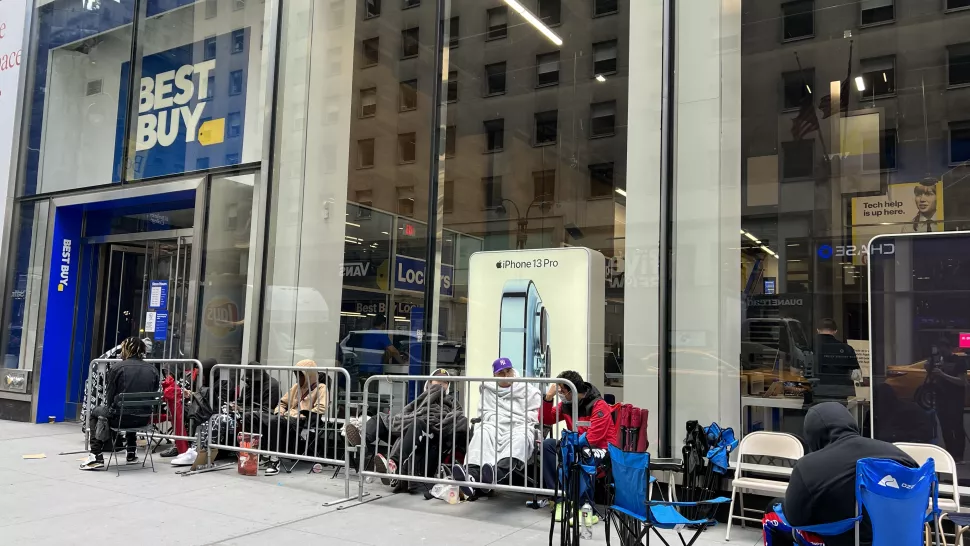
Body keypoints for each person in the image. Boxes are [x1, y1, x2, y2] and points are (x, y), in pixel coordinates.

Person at [763, 402, 916, 546]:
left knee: (773, 511)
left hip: (844, 541)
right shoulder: (896, 453)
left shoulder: (808, 466)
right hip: (900, 538)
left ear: (813, 434)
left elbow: (795, 519)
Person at [345, 368, 467, 492]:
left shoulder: (451, 401)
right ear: (430, 382)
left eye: (445, 382)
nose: (441, 383)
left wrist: (436, 418)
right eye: (438, 380)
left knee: (416, 424)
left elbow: (457, 417)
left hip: (429, 432)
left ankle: (392, 464)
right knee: (380, 418)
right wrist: (406, 418)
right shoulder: (422, 397)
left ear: (448, 386)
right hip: (409, 426)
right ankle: (362, 441)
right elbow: (407, 411)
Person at [452, 357, 542, 496]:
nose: (506, 375)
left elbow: (531, 415)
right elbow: (485, 412)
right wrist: (495, 420)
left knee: (521, 438)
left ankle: (495, 474)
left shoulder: (527, 390)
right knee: (481, 433)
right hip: (494, 424)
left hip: (518, 425)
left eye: (508, 371)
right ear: (494, 375)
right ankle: (470, 476)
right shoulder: (488, 388)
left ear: (513, 371)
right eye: (501, 373)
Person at [539, 370, 619, 519]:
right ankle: (560, 500)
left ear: (571, 391)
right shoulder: (567, 404)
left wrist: (568, 446)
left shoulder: (598, 405)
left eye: (562, 391)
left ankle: (586, 508)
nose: (560, 394)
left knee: (583, 452)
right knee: (547, 445)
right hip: (576, 446)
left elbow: (593, 438)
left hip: (602, 450)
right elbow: (546, 419)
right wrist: (548, 398)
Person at [80, 337, 160, 471]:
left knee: (96, 412)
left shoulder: (117, 368)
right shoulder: (152, 370)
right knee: (131, 408)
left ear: (127, 349)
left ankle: (96, 455)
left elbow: (110, 398)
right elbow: (154, 392)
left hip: (120, 419)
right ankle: (131, 453)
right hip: (143, 419)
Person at [925, 338, 967, 462]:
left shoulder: (959, 361)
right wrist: (929, 368)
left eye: (943, 350)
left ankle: (959, 455)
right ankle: (950, 453)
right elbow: (932, 377)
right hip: (941, 398)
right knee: (945, 427)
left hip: (955, 399)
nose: (941, 352)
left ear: (949, 348)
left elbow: (962, 382)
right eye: (939, 350)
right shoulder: (938, 361)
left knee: (957, 427)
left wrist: (943, 374)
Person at [813, 319, 861, 400]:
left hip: (816, 391)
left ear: (817, 330)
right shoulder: (847, 348)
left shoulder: (809, 346)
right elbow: (856, 375)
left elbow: (797, 370)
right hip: (840, 392)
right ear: (835, 331)